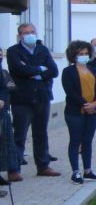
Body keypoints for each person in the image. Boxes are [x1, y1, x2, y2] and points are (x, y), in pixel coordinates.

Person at [7, 23, 60, 177]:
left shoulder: (42, 50)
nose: (29, 35)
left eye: (32, 31)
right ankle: (14, 169)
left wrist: (33, 72)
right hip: (22, 99)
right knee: (19, 135)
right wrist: (40, 70)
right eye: (25, 32)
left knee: (41, 133)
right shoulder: (13, 51)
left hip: (42, 97)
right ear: (19, 36)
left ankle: (43, 166)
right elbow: (19, 70)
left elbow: (54, 71)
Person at [61, 40, 96, 185]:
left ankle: (88, 170)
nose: (84, 56)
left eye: (86, 53)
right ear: (74, 55)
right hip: (75, 112)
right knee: (75, 140)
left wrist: (95, 103)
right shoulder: (68, 71)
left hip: (93, 111)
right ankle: (75, 172)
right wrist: (85, 104)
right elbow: (70, 91)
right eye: (80, 54)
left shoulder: (94, 70)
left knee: (87, 141)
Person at [0, 48, 20, 187]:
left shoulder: (2, 71)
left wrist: (2, 98)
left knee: (4, 143)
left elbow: (8, 86)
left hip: (2, 111)